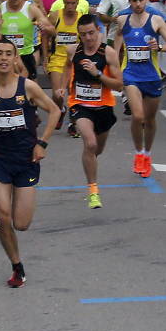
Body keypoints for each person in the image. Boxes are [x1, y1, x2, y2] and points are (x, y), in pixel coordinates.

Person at [0, 38, 60, 288]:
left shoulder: (28, 87)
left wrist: (42, 143)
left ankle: (16, 213)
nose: (3, 58)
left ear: (14, 57)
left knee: (21, 224)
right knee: (2, 214)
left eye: (8, 54)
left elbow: (54, 110)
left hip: (26, 160)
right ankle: (16, 265)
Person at [113, 0, 166, 177]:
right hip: (130, 74)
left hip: (152, 76)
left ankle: (147, 154)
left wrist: (159, 47)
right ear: (129, 1)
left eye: (141, 0)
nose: (138, 4)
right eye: (134, 1)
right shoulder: (122, 20)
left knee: (149, 120)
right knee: (138, 116)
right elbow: (115, 49)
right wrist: (115, 71)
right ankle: (139, 153)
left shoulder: (156, 20)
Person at [63, 14, 123, 208]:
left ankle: (91, 164)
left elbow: (120, 85)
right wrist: (63, 87)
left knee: (97, 149)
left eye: (91, 33)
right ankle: (93, 190)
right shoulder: (73, 50)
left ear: (98, 30)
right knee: (89, 143)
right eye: (83, 34)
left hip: (104, 107)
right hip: (79, 105)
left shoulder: (109, 53)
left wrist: (97, 74)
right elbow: (66, 67)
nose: (88, 38)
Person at [0, 0, 54, 80]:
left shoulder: (31, 9)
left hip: (26, 56)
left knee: (30, 90)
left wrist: (45, 28)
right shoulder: (0, 9)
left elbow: (52, 30)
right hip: (5, 58)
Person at [45, 0, 82, 135]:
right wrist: (45, 55)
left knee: (73, 93)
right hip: (57, 58)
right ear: (63, 2)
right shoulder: (55, 16)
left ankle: (73, 124)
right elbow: (45, 34)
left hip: (75, 61)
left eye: (73, 3)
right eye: (67, 3)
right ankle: (60, 109)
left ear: (78, 2)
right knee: (57, 94)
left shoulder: (81, 18)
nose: (70, 7)